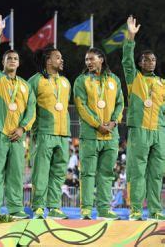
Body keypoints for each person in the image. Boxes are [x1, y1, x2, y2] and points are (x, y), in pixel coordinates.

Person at [0, 14, 35, 218]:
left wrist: (23, 128)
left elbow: (31, 111)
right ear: (3, 62)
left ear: (19, 63)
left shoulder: (25, 86)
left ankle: (15, 209)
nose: (12, 60)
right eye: (8, 58)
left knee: (16, 175)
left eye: (15, 58)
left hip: (18, 135)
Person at [122, 16, 165, 221]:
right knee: (137, 172)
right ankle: (136, 210)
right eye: (146, 59)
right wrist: (131, 36)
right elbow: (126, 61)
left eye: (153, 59)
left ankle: (156, 210)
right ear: (140, 63)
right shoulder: (134, 79)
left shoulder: (162, 83)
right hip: (139, 129)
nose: (150, 62)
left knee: (156, 173)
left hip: (159, 130)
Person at [73, 47, 124, 220]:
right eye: (86, 60)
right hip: (90, 135)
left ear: (101, 59)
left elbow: (120, 103)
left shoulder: (114, 79)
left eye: (92, 59)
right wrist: (97, 124)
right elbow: (81, 106)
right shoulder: (81, 80)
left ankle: (103, 210)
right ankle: (86, 210)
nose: (88, 62)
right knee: (87, 173)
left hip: (111, 135)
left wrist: (114, 121)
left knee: (107, 173)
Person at [28, 46, 71, 219]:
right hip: (44, 132)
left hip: (63, 133)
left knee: (59, 173)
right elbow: (28, 107)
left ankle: (54, 206)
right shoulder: (35, 80)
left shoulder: (65, 82)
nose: (62, 60)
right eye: (58, 57)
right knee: (41, 172)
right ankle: (38, 206)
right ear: (48, 61)